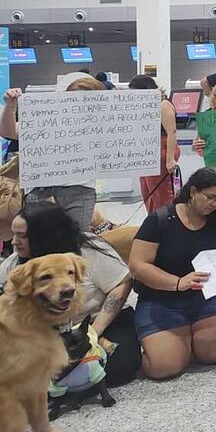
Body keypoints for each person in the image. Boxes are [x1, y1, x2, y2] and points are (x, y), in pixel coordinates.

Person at [129, 167, 216, 379]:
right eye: (209, 197)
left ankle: (197, 332)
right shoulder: (160, 220)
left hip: (206, 295)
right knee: (164, 367)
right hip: (162, 299)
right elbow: (138, 265)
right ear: (192, 192)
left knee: (215, 353)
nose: (214, 204)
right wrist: (178, 282)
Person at [0, 202, 140, 386]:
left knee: (120, 365)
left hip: (99, 321)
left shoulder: (88, 250)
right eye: (14, 234)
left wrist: (93, 332)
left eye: (22, 236)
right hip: (47, 333)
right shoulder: (15, 264)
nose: (14, 242)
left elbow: (122, 283)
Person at [1, 76, 112, 230]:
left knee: (76, 242)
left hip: (80, 190)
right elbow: (8, 131)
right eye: (72, 99)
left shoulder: (101, 126)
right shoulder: (47, 121)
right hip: (41, 191)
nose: (78, 105)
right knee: (41, 242)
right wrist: (10, 108)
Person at [129, 75, 180, 214]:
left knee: (161, 193)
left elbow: (172, 132)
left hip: (163, 148)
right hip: (148, 150)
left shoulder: (163, 105)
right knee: (148, 192)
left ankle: (167, 223)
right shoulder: (145, 107)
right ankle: (153, 221)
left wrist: (170, 159)